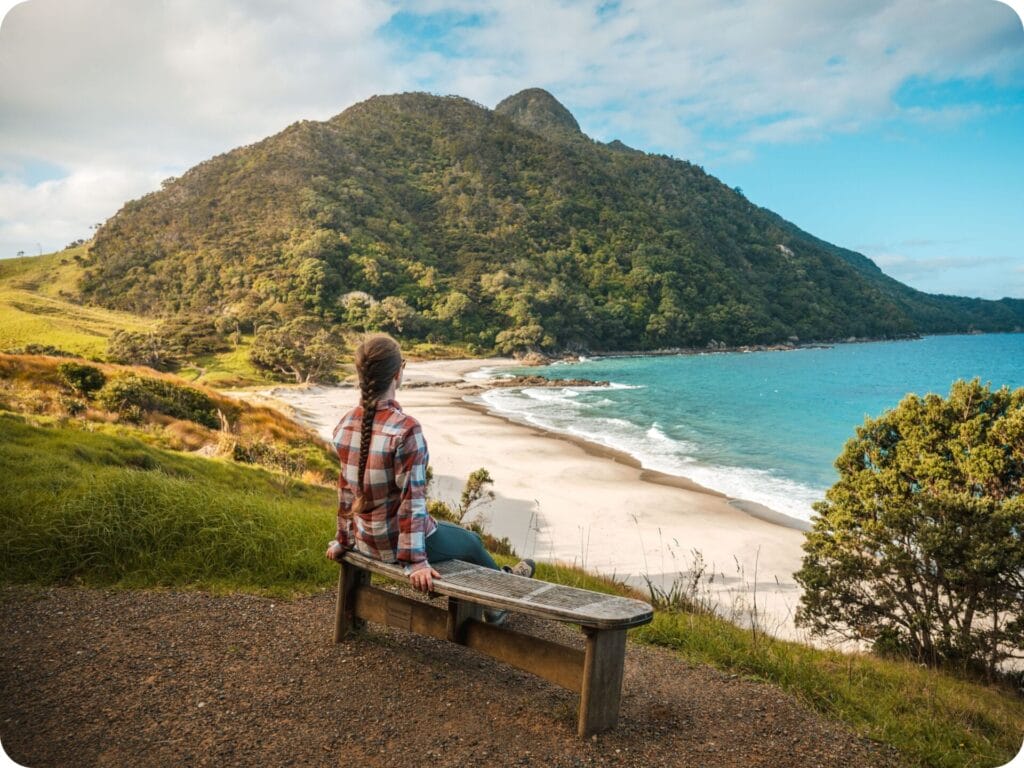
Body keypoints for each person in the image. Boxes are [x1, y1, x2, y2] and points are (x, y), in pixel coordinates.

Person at [325, 333, 534, 622]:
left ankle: (507, 577)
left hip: (364, 540)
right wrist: (415, 562)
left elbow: (346, 493)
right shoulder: (406, 430)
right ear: (398, 374)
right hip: (395, 545)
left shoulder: (345, 423)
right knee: (472, 542)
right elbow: (413, 502)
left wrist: (342, 540)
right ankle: (501, 599)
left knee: (454, 533)